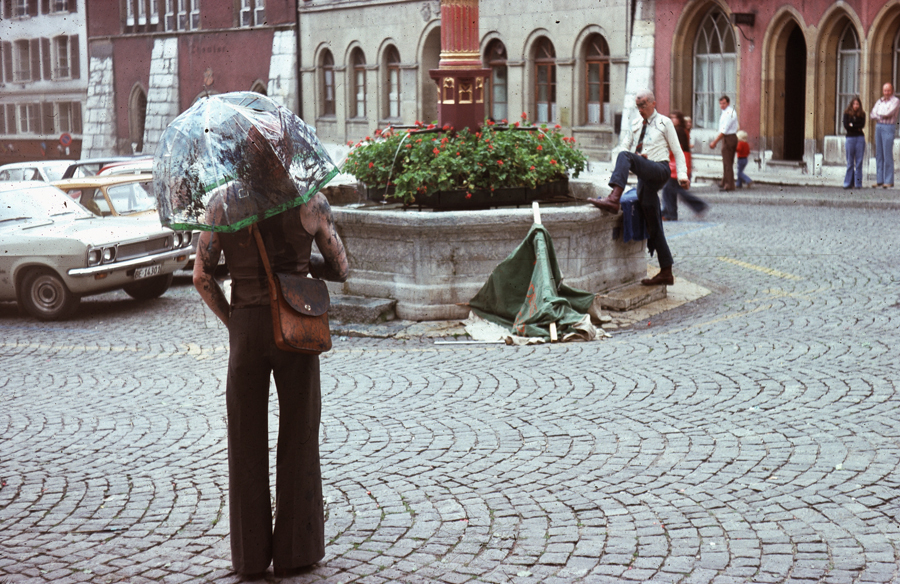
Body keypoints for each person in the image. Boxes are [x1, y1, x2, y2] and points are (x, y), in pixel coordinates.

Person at [193, 193, 349, 578]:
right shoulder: (310, 203)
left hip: (246, 324)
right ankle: (296, 552)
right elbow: (341, 267)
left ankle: (249, 557)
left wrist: (237, 323)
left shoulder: (221, 204)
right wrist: (301, 264)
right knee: (300, 435)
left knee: (244, 441)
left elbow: (201, 276)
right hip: (294, 323)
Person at [588, 89, 688, 286]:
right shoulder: (634, 124)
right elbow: (624, 147)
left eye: (643, 105)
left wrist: (683, 175)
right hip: (644, 174)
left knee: (626, 156)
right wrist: (632, 159)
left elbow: (677, 150)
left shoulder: (664, 122)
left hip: (659, 168)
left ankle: (614, 199)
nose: (640, 109)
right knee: (654, 224)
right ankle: (666, 271)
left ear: (653, 103)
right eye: (638, 106)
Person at [661, 110, 708, 221]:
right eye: (671, 117)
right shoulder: (681, 130)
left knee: (672, 189)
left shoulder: (678, 131)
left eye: (675, 118)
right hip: (678, 162)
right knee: (670, 189)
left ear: (679, 120)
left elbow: (677, 148)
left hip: (677, 163)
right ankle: (669, 214)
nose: (673, 120)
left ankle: (697, 205)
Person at [869, 83, 900, 188]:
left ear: (892, 91)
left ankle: (889, 180)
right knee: (879, 154)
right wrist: (880, 115)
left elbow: (888, 113)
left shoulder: (895, 101)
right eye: (885, 90)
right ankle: (880, 180)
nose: (886, 92)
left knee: (887, 154)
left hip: (888, 127)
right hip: (878, 127)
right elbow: (872, 114)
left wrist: (879, 115)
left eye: (888, 90)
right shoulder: (880, 101)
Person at [709, 95, 738, 191]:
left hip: (729, 137)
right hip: (728, 137)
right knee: (727, 161)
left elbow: (724, 130)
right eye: (720, 103)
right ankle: (724, 181)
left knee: (727, 162)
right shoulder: (725, 112)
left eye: (724, 103)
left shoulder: (729, 113)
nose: (722, 105)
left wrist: (715, 142)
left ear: (728, 103)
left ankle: (729, 184)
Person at [843, 96, 866, 189]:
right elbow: (846, 125)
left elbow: (862, 125)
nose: (856, 106)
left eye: (857, 104)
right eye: (854, 104)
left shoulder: (862, 114)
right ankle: (848, 183)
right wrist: (854, 126)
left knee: (859, 161)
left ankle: (858, 184)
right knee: (850, 161)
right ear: (851, 105)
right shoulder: (846, 114)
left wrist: (852, 124)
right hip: (850, 138)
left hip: (860, 138)